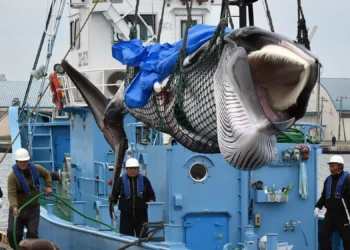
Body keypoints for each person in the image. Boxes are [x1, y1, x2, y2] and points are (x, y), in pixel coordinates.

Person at [7, 148, 52, 249]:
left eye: (25, 161)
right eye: (20, 161)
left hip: (33, 209)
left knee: (32, 234)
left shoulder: (37, 168)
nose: (23, 163)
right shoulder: (12, 177)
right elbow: (11, 194)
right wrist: (14, 207)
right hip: (18, 210)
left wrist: (48, 185)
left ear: (28, 160)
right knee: (13, 234)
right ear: (16, 162)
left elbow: (46, 174)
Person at [112, 158, 155, 237]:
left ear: (138, 169)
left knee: (143, 240)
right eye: (131, 168)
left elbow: (151, 194)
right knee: (126, 240)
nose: (133, 170)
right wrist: (112, 203)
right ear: (127, 169)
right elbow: (114, 195)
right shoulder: (121, 181)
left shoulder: (145, 180)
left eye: (135, 168)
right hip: (126, 218)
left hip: (142, 218)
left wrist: (151, 200)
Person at [314, 155, 350, 250]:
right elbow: (323, 196)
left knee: (347, 240)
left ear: (340, 167)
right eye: (330, 166)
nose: (331, 169)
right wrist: (317, 207)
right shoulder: (328, 180)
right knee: (322, 236)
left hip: (344, 216)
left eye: (333, 166)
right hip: (330, 215)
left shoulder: (347, 180)